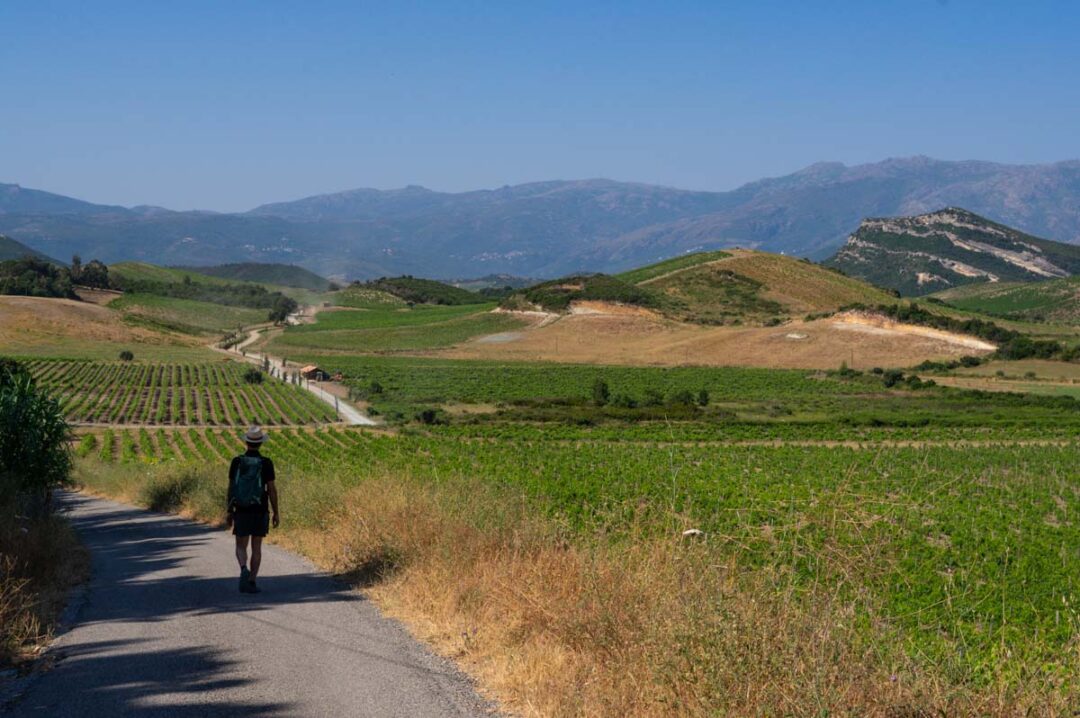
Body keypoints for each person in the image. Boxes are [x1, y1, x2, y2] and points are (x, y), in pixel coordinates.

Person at [226, 426, 280, 594]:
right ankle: (251, 582)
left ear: (246, 442)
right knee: (257, 548)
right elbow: (271, 489)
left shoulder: (237, 461)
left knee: (241, 545)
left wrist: (229, 510)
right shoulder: (266, 463)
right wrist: (276, 511)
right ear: (260, 444)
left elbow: (231, 487)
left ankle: (243, 568)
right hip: (260, 509)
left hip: (241, 509)